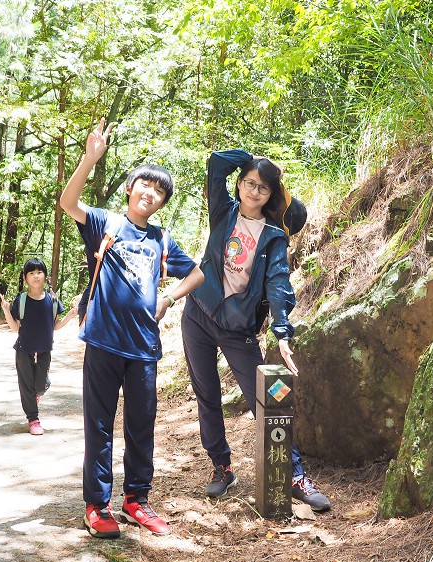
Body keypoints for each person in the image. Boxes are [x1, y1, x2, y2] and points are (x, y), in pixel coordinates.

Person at [60, 118, 205, 538]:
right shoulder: (105, 222)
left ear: (161, 202)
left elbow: (197, 274)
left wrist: (167, 298)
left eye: (159, 191)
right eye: (145, 184)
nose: (151, 193)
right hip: (104, 342)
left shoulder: (161, 239)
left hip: (144, 347)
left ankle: (136, 500)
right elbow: (68, 203)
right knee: (100, 425)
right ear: (130, 187)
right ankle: (97, 505)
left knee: (141, 426)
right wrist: (90, 159)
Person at [181, 148, 331, 512]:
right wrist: (254, 158)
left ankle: (295, 476)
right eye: (249, 183)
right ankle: (222, 467)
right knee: (207, 395)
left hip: (238, 330)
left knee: (266, 402)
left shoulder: (273, 236)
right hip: (198, 315)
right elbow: (216, 161)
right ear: (240, 183)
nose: (254, 191)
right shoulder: (222, 211)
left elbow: (278, 284)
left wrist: (282, 332)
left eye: (263, 188)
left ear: (271, 195)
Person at [0, 257, 77, 435]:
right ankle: (33, 419)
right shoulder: (22, 300)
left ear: (45, 276)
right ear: (25, 278)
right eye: (31, 273)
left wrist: (70, 316)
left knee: (40, 386)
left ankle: (40, 388)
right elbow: (14, 327)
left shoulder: (53, 300)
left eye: (39, 272)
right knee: (27, 386)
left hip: (44, 348)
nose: (36, 276)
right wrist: (5, 309)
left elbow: (55, 326)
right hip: (24, 347)